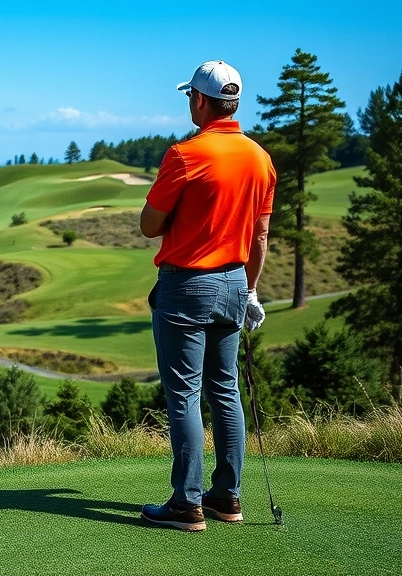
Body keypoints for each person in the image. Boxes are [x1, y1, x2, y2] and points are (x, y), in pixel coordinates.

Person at [138, 60, 276, 531]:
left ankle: (187, 503)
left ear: (199, 100)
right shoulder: (260, 157)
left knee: (185, 394)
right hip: (236, 282)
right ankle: (227, 498)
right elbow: (260, 238)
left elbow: (148, 225)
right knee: (226, 390)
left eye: (189, 97)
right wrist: (252, 289)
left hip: (187, 285)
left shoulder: (185, 154)